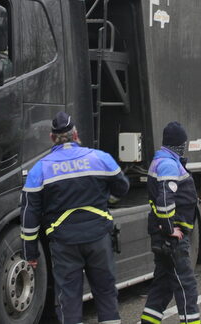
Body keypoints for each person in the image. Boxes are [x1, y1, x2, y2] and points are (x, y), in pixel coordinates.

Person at [21, 112, 129, 324]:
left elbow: (29, 215)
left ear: (52, 138)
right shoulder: (100, 158)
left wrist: (30, 253)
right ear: (76, 134)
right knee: (106, 293)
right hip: (98, 238)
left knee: (69, 299)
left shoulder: (40, 169)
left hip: (64, 243)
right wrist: (108, 203)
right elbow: (122, 187)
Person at [141, 121, 201, 324]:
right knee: (187, 286)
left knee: (163, 285)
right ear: (179, 144)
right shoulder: (168, 164)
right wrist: (169, 229)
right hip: (171, 238)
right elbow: (165, 200)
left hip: (163, 234)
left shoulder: (163, 160)